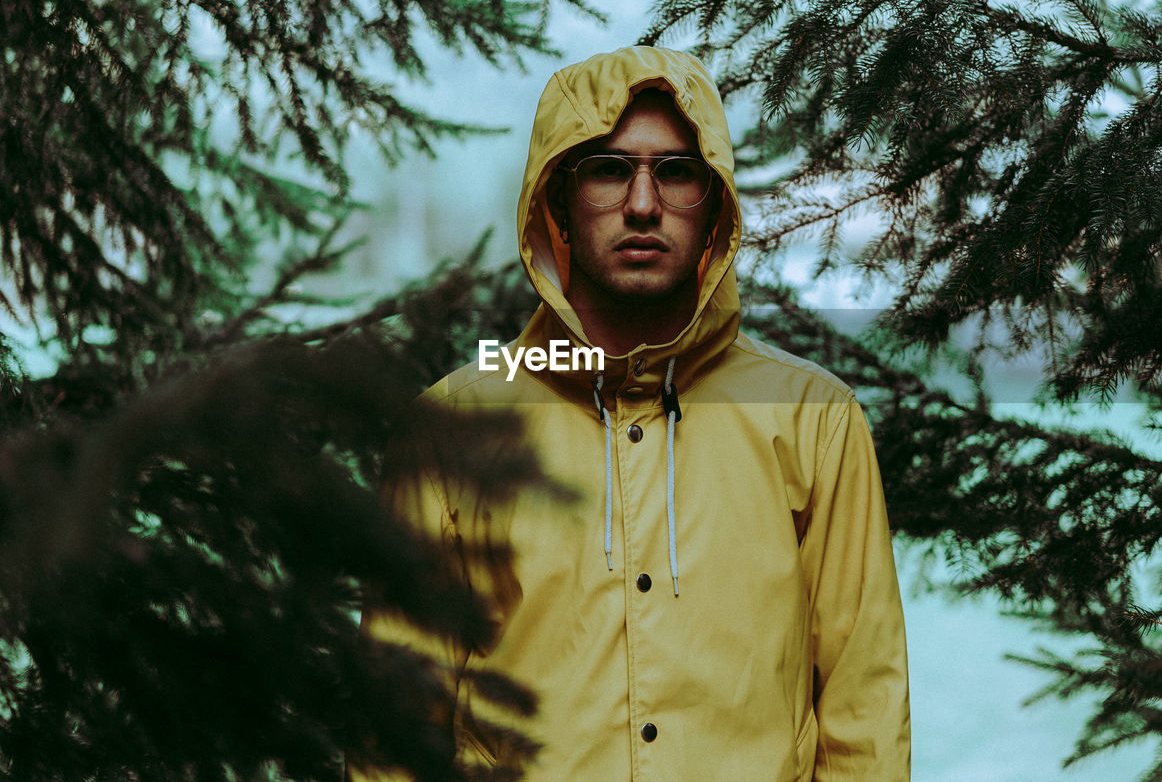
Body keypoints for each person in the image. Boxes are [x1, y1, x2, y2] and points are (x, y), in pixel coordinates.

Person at [366, 46, 910, 781]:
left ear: (715, 201)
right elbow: (398, 720)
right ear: (557, 199)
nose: (644, 204)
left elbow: (864, 707)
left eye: (676, 171)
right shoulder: (453, 426)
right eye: (609, 168)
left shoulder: (813, 418)